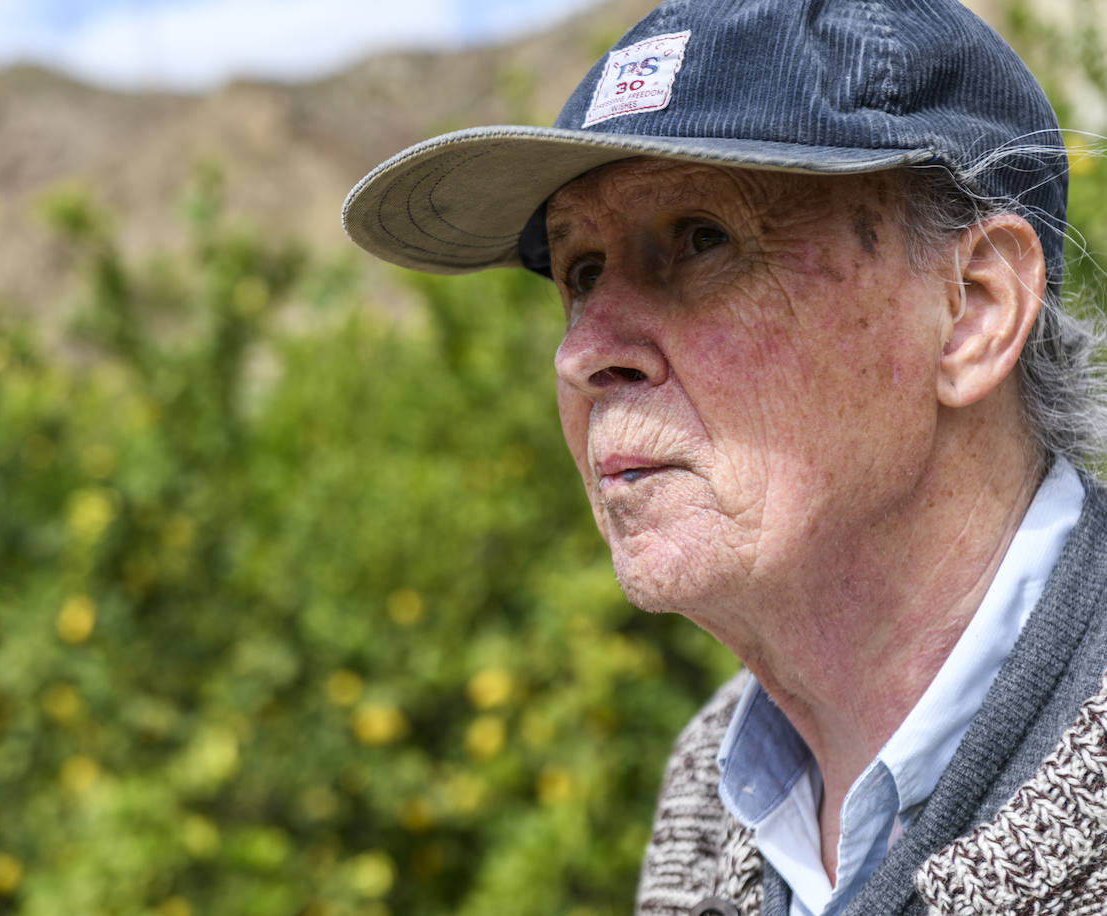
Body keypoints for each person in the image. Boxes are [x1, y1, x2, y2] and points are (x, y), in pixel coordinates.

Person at [342, 0, 1107, 914]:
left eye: (702, 238)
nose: (583, 355)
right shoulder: (713, 787)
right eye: (581, 271)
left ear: (973, 310)